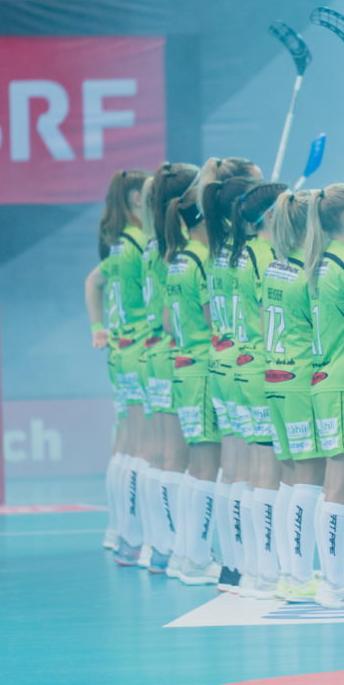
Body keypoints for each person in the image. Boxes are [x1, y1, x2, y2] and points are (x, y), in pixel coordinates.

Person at [200, 159, 263, 592]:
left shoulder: (220, 251)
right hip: (254, 362)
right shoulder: (255, 254)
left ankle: (234, 565)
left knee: (233, 468)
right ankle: (259, 569)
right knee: (260, 471)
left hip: (224, 361)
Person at [85, 170, 153, 563]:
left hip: (121, 351)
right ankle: (136, 538)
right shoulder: (141, 244)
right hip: (143, 347)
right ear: (137, 202)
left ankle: (121, 531)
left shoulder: (117, 244)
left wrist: (99, 329)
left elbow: (92, 283)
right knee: (147, 448)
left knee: (126, 443)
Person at [304, 184, 344, 608]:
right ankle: (333, 581)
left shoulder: (319, 262)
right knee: (341, 486)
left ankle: (332, 578)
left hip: (325, 379)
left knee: (334, 485)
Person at [264, 190, 325, 602]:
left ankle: (289, 571)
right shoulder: (308, 273)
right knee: (308, 477)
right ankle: (301, 575)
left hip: (274, 378)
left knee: (288, 474)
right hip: (301, 379)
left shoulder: (274, 268)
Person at [229, 181, 289, 598]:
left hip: (243, 366)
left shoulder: (241, 252)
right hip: (267, 366)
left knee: (256, 472)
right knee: (269, 474)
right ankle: (267, 572)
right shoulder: (268, 256)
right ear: (271, 215)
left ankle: (254, 566)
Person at [162, 177, 223, 586]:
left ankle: (184, 553)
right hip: (203, 368)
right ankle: (197, 558)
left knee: (193, 467)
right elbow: (213, 318)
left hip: (182, 366)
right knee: (206, 466)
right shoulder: (201, 259)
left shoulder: (179, 258)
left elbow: (167, 321)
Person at [145, 164, 199, 576]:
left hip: (158, 354)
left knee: (163, 454)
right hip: (177, 352)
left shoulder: (154, 244)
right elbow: (170, 316)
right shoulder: (182, 248)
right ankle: (179, 549)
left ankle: (162, 547)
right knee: (179, 457)